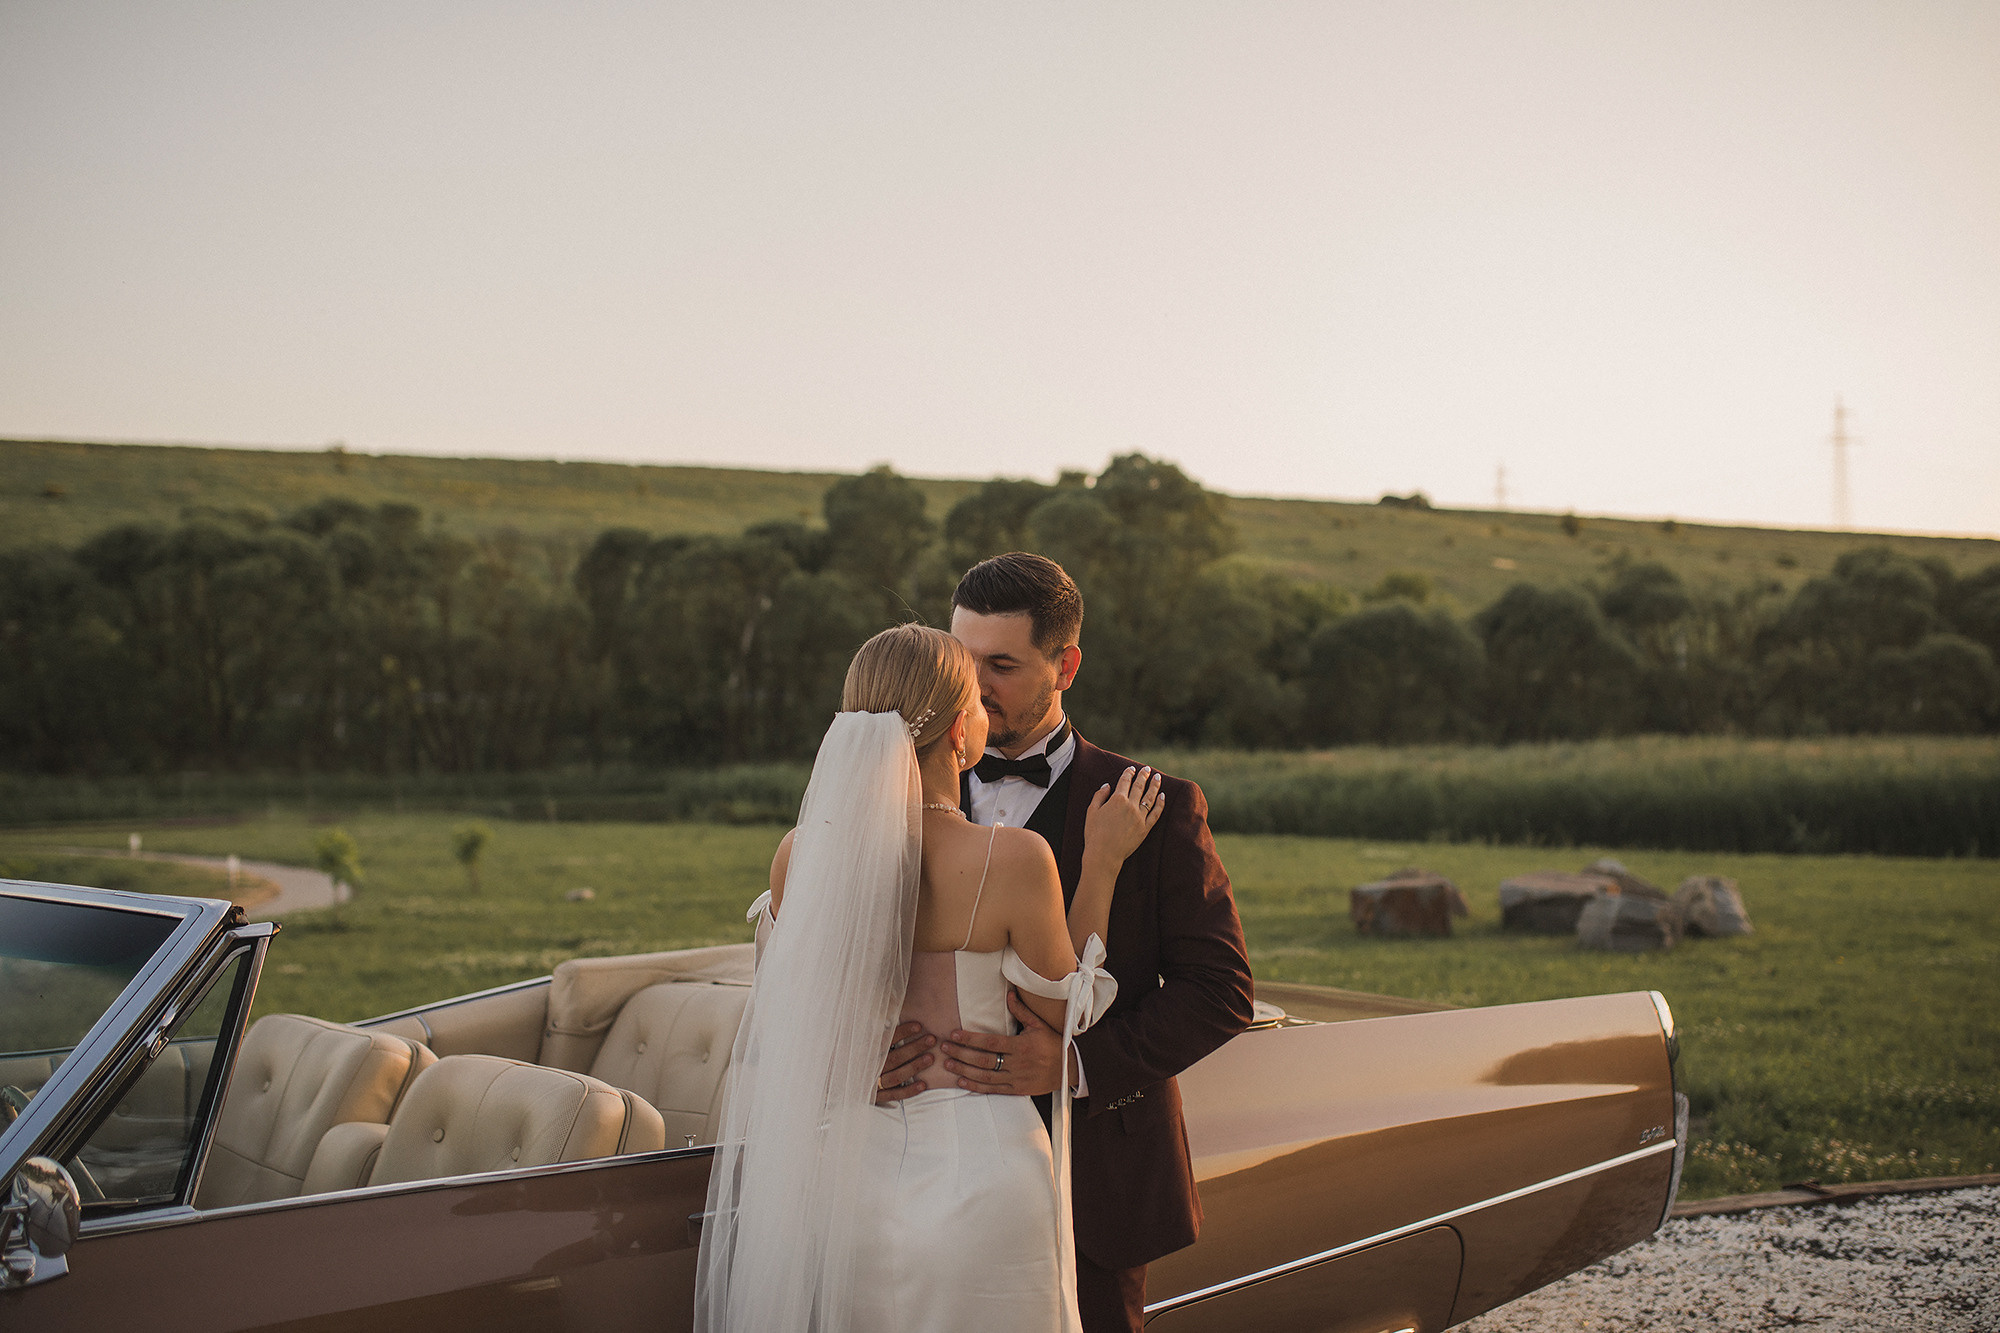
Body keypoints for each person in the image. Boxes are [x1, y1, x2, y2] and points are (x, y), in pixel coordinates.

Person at [694, 623, 1166, 1333]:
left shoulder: (799, 855)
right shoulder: (1012, 860)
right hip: (981, 1175)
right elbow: (1069, 1010)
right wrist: (1100, 863)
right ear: (956, 731)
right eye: (976, 698)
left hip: (848, 1179)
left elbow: (786, 1012)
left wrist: (855, 1063)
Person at [877, 553, 1258, 1333]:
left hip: (1096, 1178)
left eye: (1003, 665)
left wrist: (1078, 1064)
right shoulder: (889, 810)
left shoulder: (1156, 806)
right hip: (917, 1172)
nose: (973, 687)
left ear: (1066, 665)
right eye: (961, 661)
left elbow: (1221, 990)